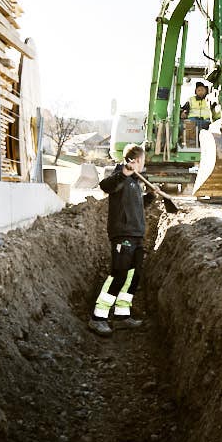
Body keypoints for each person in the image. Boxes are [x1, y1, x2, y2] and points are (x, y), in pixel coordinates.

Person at [89, 144, 154, 336]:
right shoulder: (120, 176)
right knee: (118, 275)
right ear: (134, 160)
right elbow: (105, 186)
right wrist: (123, 173)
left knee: (133, 277)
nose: (143, 165)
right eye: (142, 160)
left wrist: (150, 197)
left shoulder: (135, 182)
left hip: (136, 235)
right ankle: (97, 318)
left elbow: (137, 207)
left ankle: (121, 315)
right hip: (123, 234)